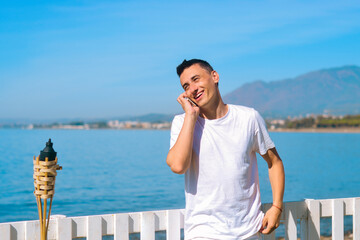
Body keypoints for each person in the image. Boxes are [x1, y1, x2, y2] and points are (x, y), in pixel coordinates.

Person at [166, 59, 285, 240]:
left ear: (214, 76)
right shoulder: (181, 122)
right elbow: (178, 166)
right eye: (186, 86)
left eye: (196, 79)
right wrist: (191, 116)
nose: (193, 88)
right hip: (203, 232)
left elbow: (274, 162)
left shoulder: (248, 118)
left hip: (249, 231)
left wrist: (276, 207)